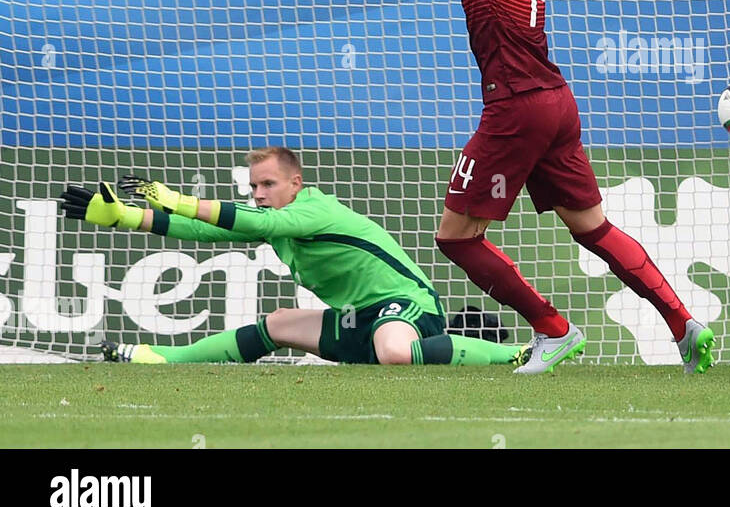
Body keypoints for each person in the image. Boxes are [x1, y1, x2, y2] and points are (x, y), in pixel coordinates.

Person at [363, 0, 715, 375]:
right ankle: (684, 323)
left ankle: (554, 330)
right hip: (556, 100)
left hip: (517, 106)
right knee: (593, 228)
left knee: (456, 238)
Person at [58, 147, 522, 367]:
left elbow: (260, 225)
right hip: (358, 316)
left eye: (269, 185)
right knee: (278, 323)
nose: (258, 194)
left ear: (295, 184)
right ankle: (163, 360)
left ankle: (515, 357)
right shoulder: (272, 215)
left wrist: (176, 198)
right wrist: (125, 218)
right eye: (254, 186)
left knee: (395, 353)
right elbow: (204, 228)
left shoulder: (310, 208)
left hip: (407, 306)